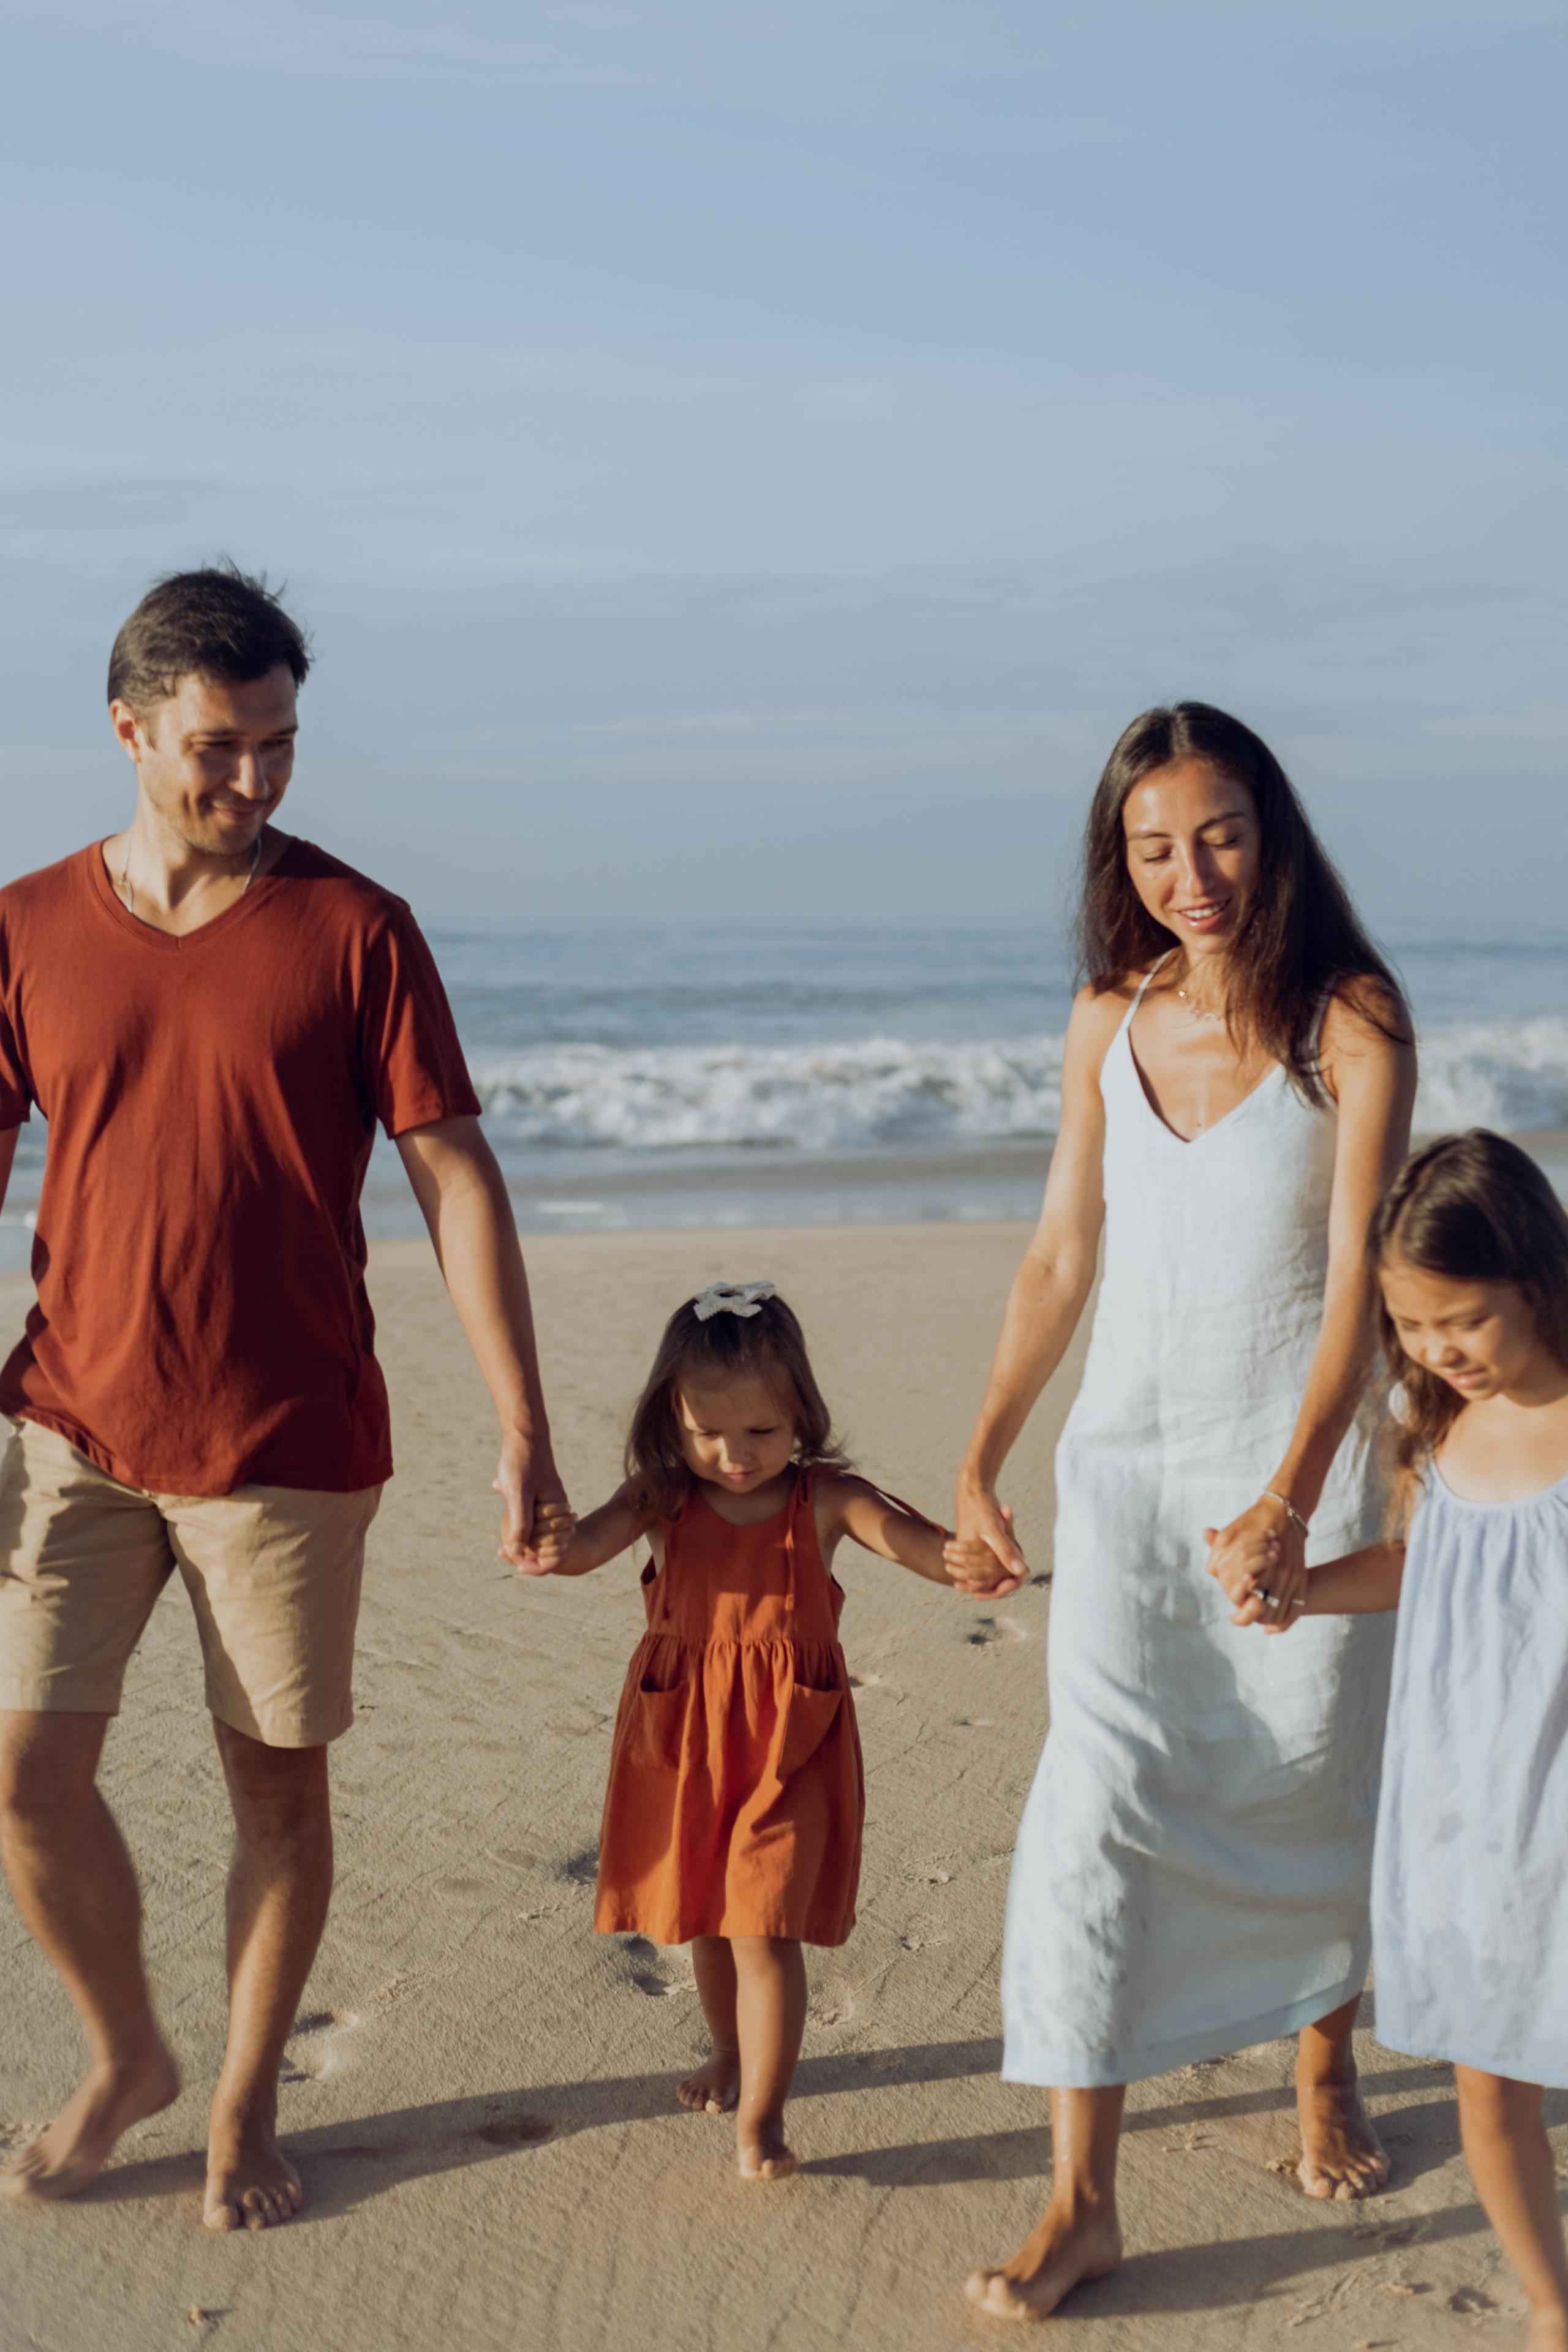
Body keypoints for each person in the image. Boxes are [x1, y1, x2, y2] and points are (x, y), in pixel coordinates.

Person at [0, 565, 568, 2232]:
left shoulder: (355, 929)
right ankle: (131, 2057)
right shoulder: (25, 930)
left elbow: (455, 1173)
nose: (252, 783)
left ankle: (243, 2104)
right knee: (27, 1777)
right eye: (218, 748)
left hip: (285, 1448)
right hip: (70, 1431)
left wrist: (522, 1422)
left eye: (279, 747)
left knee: (276, 1794)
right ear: (128, 729)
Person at [956, 702, 1419, 2319]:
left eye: (1218, 834)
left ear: (1273, 832)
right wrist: (981, 1454)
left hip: (1293, 1467)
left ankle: (1321, 2063)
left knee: (1308, 1783)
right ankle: (1082, 2198)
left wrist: (1295, 1497)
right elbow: (1058, 1259)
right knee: (1093, 1810)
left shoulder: (1352, 1023)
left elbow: (1358, 1294)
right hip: (1128, 1479)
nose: (1190, 872)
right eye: (1154, 846)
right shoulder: (1107, 1016)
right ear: (1120, 860)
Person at [521, 1278, 1003, 2179]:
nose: (735, 1456)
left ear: (802, 1419)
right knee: (706, 1916)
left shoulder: (824, 1500)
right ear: (671, 1424)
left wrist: (969, 1562)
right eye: (708, 1434)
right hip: (683, 1742)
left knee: (764, 1927)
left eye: (761, 1434)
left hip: (791, 1749)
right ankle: (731, 2053)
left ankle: (764, 2120)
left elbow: (916, 1545)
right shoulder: (661, 1497)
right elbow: (583, 1550)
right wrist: (549, 1543)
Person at [1215, 1131, 1568, 2352]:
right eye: (1409, 1327)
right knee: (1488, 2080)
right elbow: (1424, 1567)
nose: (1432, 1350)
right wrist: (1300, 1589)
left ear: (1536, 1277)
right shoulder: (1434, 1429)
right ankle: (1548, 2303)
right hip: (1465, 1811)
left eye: (1458, 1319)